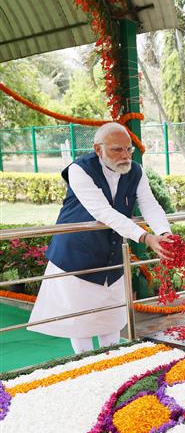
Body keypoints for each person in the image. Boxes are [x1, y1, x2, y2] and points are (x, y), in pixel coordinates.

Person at [28, 123, 173, 354]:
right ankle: (86, 365)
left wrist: (165, 234)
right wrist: (145, 238)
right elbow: (102, 212)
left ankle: (113, 363)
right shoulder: (79, 170)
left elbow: (150, 205)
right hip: (75, 256)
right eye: (117, 150)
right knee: (81, 324)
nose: (125, 155)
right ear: (98, 149)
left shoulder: (136, 170)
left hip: (112, 255)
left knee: (112, 319)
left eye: (129, 149)